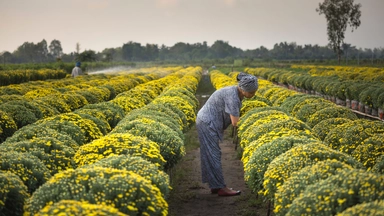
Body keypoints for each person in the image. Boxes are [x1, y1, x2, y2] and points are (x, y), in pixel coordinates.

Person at [196, 72, 258, 196]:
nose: (253, 95)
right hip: (207, 123)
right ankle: (221, 188)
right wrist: (253, 126)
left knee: (211, 154)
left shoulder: (235, 92)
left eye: (254, 92)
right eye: (251, 92)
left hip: (207, 121)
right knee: (213, 154)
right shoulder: (233, 97)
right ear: (243, 89)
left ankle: (215, 185)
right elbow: (235, 122)